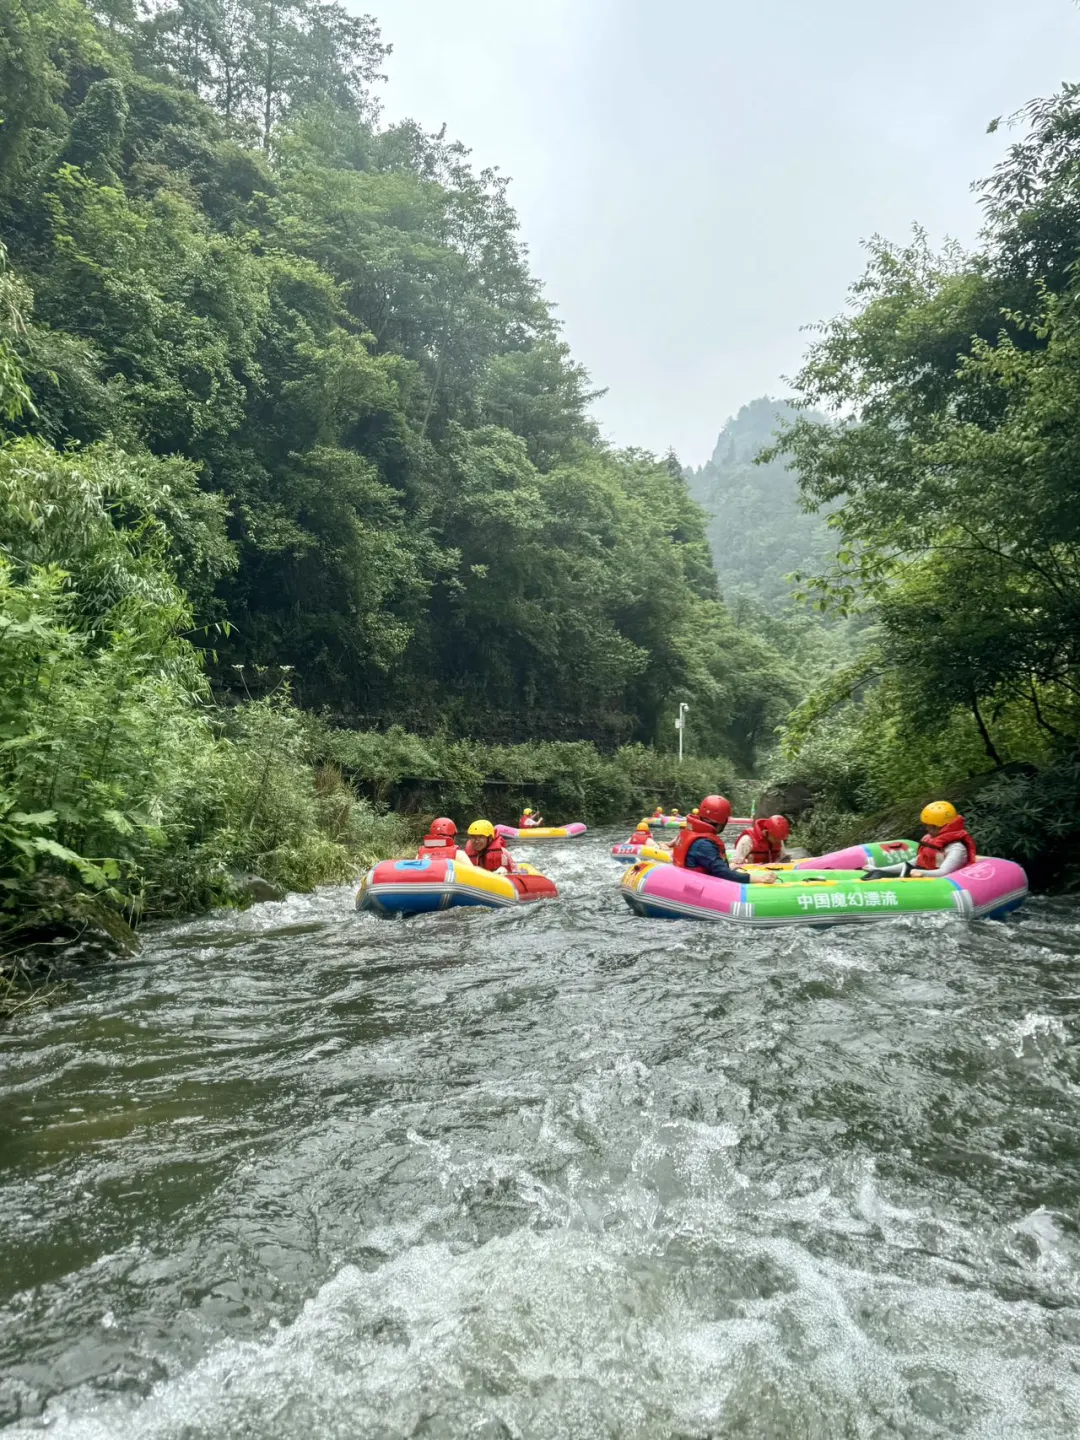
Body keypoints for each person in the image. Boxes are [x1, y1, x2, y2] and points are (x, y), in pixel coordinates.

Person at [672, 795, 777, 885]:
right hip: (696, 886)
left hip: (687, 879)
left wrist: (730, 867)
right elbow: (723, 873)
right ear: (722, 821)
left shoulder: (693, 832)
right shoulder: (704, 844)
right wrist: (759, 878)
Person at [862, 801, 977, 879]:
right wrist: (878, 869)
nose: (927, 829)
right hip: (925, 876)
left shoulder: (956, 848)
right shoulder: (931, 841)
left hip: (945, 883)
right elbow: (913, 863)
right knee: (878, 874)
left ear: (942, 826)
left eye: (931, 826)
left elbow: (944, 872)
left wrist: (922, 873)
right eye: (927, 825)